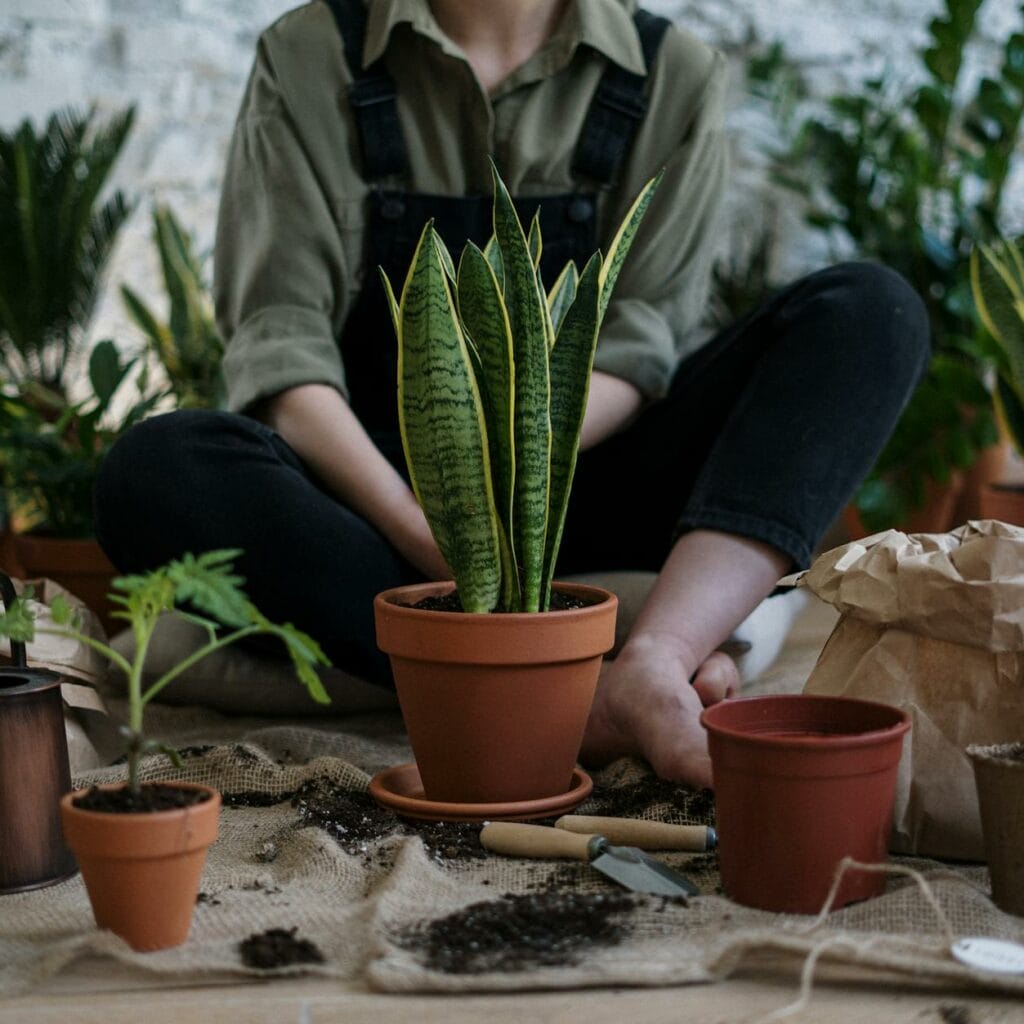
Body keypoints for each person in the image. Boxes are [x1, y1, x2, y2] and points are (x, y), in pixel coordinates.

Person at [96, 0, 930, 790]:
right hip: (379, 516)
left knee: (871, 312)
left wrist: (519, 493)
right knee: (157, 467)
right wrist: (438, 533)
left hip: (585, 481)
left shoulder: (671, 71)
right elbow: (283, 350)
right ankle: (563, 689)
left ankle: (652, 660)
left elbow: (639, 346)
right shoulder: (311, 54)